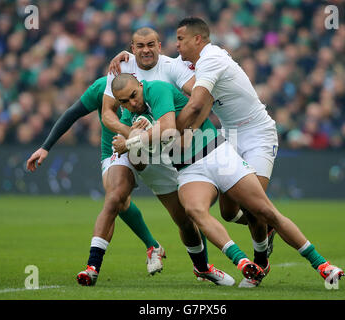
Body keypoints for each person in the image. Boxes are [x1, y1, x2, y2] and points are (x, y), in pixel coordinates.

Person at [174, 17, 344, 287]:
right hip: (229, 135)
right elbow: (160, 65)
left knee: (257, 208)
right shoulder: (188, 63)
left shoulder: (212, 58)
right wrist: (128, 59)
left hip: (257, 134)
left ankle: (263, 264)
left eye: (181, 39)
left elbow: (196, 106)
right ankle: (268, 230)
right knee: (228, 213)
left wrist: (166, 133)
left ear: (198, 39)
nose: (177, 45)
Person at [96, 27, 235, 286]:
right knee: (115, 194)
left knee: (186, 217)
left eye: (151, 44)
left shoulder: (172, 68)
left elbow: (201, 97)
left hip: (169, 151)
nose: (146, 50)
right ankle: (93, 267)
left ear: (160, 46)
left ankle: (202, 267)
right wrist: (132, 138)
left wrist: (186, 130)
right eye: (140, 46)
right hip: (135, 146)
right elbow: (106, 114)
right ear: (132, 47)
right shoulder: (119, 70)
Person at [112, 74, 267, 284]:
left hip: (209, 150)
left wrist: (133, 141)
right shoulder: (128, 119)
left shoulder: (162, 81)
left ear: (140, 85)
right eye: (124, 101)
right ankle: (209, 267)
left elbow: (171, 124)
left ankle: (272, 254)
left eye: (133, 96)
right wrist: (131, 143)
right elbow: (140, 164)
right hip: (176, 166)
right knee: (186, 220)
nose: (132, 103)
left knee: (241, 211)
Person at [26, 76, 167, 281]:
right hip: (116, 152)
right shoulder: (102, 87)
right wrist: (45, 147)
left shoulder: (152, 84)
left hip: (155, 148)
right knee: (116, 198)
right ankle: (94, 267)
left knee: (182, 205)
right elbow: (72, 114)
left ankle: (199, 263)